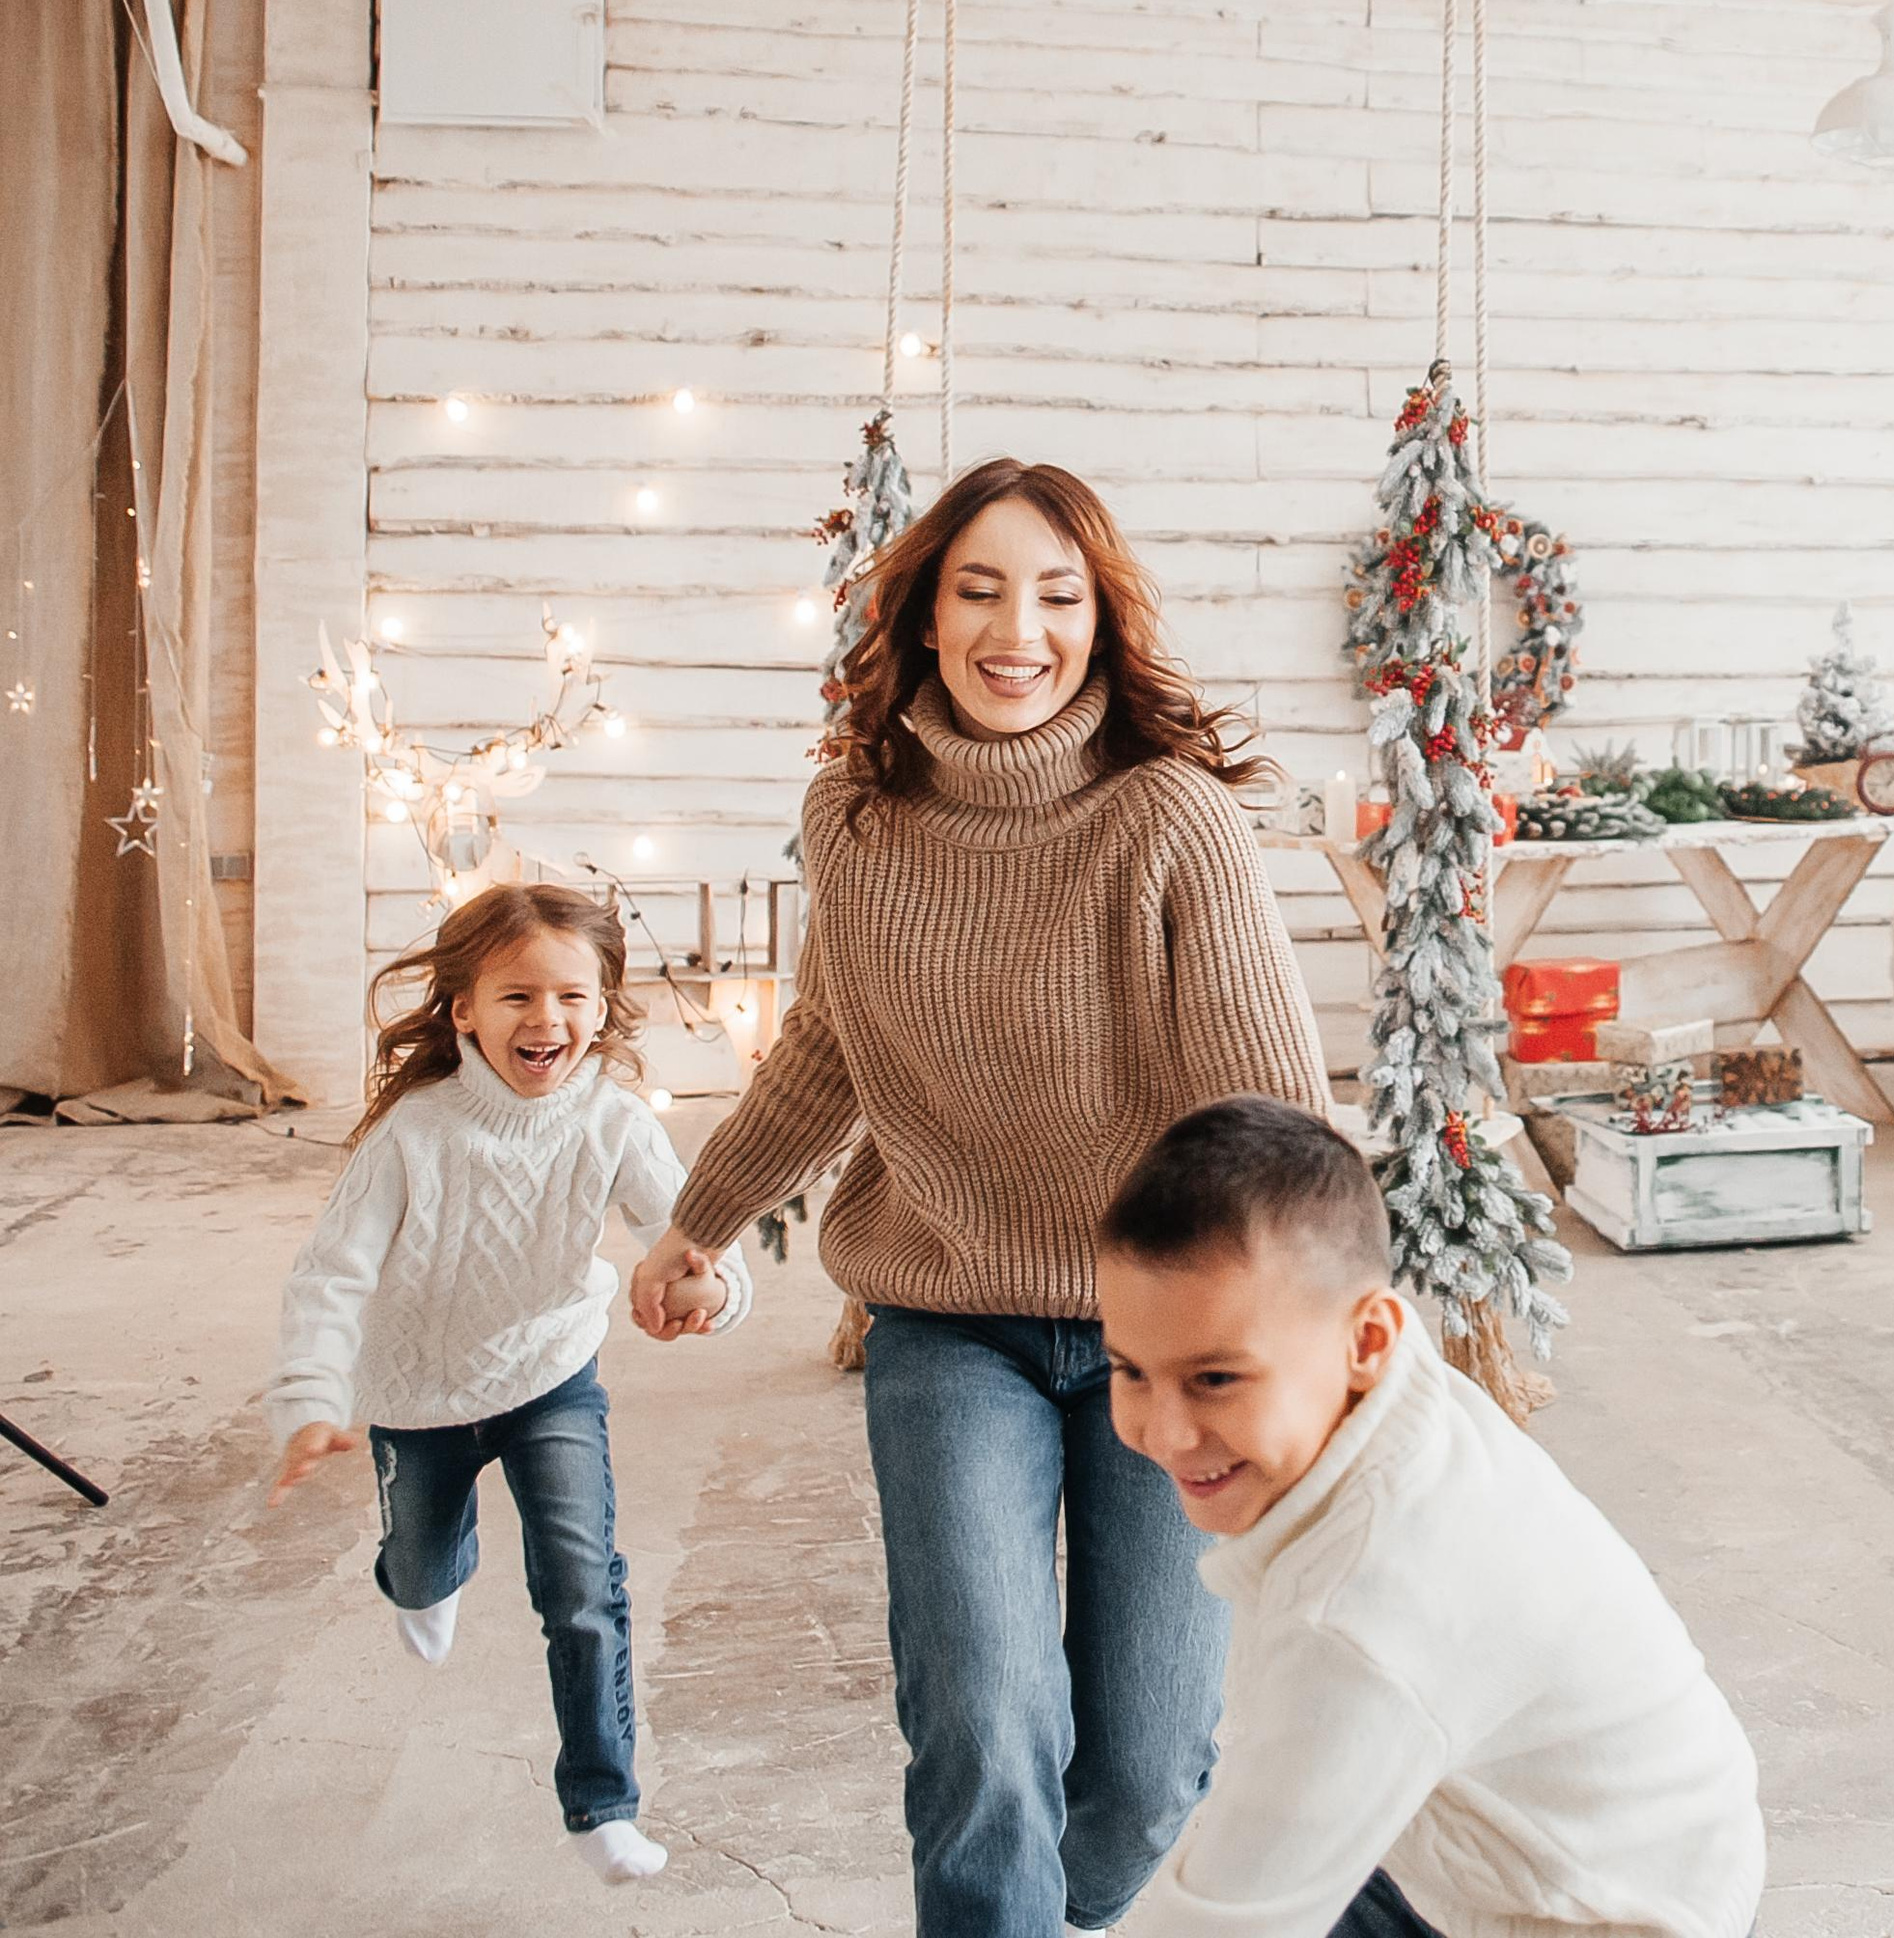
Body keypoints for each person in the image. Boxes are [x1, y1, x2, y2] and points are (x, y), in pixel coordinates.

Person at [629, 459, 1332, 1937]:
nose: (1021, 628)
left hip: (1165, 1339)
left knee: (1147, 1771)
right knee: (983, 1729)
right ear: (927, 617)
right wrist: (699, 1218)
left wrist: (1320, 1338)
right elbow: (830, 1043)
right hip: (947, 1324)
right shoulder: (858, 822)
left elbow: (1272, 1112)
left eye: (1059, 595)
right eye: (982, 588)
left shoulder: (1169, 822)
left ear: (1101, 622)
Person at [1096, 1095, 1767, 1938]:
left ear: (1364, 1342)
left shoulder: (1362, 1614)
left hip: (1612, 1912)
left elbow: (1225, 1924)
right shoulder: (1388, 1386)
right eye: (1129, 1370)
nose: (1163, 1433)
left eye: (1217, 1379)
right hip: (1636, 1841)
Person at [267, 883, 752, 1887]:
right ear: (464, 1009)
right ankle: (426, 1575)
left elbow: (686, 1233)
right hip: (416, 1392)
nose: (547, 1019)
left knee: (583, 1587)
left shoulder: (615, 1120)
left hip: (549, 1376)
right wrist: (312, 1399)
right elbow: (331, 1273)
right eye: (517, 995)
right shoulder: (413, 1131)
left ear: (604, 1005)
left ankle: (603, 1800)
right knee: (416, 1559)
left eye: (573, 995)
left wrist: (710, 1285)